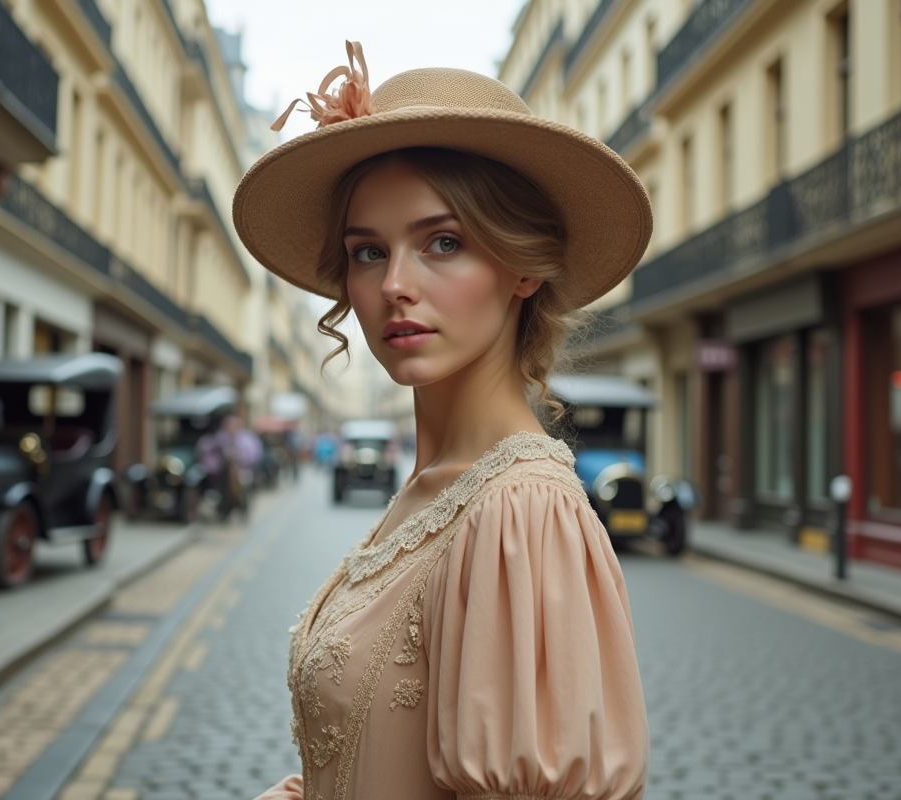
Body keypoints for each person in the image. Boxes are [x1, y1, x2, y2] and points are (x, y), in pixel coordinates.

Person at [234, 41, 651, 800]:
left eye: (444, 242)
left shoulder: (521, 512)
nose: (394, 285)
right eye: (367, 251)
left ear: (524, 267)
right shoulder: (432, 488)